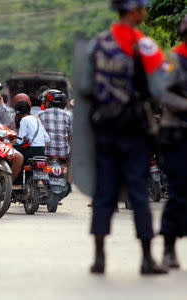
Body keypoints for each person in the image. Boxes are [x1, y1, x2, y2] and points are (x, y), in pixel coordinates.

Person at [80, 0, 167, 275]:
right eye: (142, 8)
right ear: (133, 11)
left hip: (105, 129)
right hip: (134, 130)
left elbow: (84, 86)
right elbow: (160, 86)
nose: (144, 12)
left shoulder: (97, 43)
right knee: (139, 194)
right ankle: (145, 258)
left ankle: (99, 258)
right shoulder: (144, 44)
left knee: (104, 193)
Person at [158, 14, 187, 269]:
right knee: (179, 192)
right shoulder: (175, 59)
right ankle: (168, 245)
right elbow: (162, 93)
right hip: (177, 132)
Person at [14, 100, 50, 185]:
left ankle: (17, 183)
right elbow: (47, 138)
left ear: (18, 111)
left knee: (16, 158)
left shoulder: (24, 120)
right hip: (41, 151)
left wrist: (13, 141)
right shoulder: (36, 118)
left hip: (32, 151)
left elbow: (19, 140)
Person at [38, 89, 72, 161]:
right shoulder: (67, 115)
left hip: (45, 154)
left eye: (45, 101)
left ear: (48, 102)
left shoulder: (40, 115)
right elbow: (70, 136)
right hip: (64, 154)